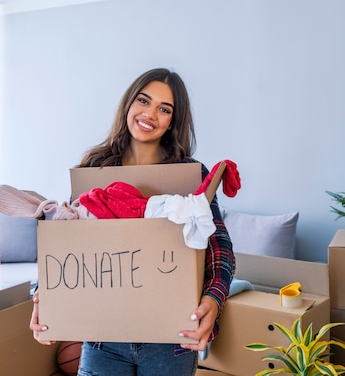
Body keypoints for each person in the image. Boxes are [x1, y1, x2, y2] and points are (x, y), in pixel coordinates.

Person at [30, 67, 235, 376]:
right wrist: (42, 295)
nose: (150, 113)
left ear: (172, 121)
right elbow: (63, 241)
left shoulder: (191, 174)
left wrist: (213, 298)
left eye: (164, 109)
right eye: (143, 100)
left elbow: (219, 246)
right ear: (129, 103)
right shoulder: (95, 168)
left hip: (172, 341)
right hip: (103, 338)